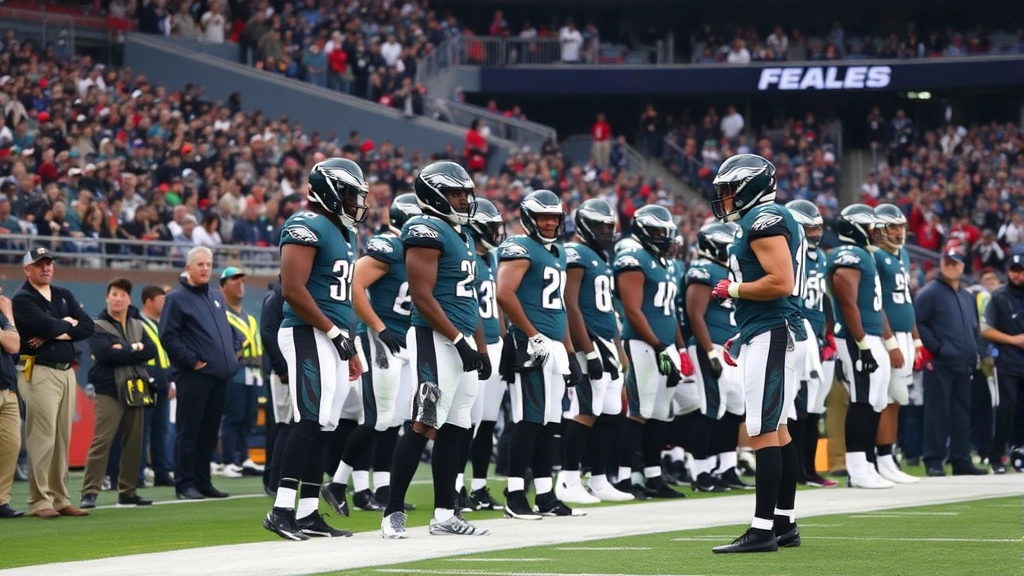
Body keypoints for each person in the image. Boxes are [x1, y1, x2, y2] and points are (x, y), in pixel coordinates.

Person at [380, 160, 489, 539]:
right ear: (433, 195)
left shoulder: (461, 234)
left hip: (460, 339)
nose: (463, 199)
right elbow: (422, 297)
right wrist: (459, 341)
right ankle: (392, 511)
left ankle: (444, 513)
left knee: (457, 427)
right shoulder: (423, 227)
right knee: (425, 422)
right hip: (433, 337)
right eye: (455, 193)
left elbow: (469, 297)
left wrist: (480, 345)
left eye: (465, 193)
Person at [264, 158, 368, 540]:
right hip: (308, 331)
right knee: (308, 420)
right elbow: (293, 289)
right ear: (329, 191)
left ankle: (307, 512)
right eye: (350, 192)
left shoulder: (344, 232)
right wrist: (332, 331)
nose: (356, 200)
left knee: (325, 423)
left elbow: (340, 298)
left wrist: (349, 344)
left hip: (333, 334)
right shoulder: (305, 224)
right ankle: (281, 510)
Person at [709, 154, 804, 553]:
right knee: (777, 430)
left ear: (750, 186)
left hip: (773, 331)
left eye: (730, 189)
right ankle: (784, 523)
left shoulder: (763, 220)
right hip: (769, 330)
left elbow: (781, 282)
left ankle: (763, 529)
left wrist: (732, 290)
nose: (726, 197)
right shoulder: (766, 218)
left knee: (763, 431)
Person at [322, 193, 420, 515]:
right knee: (376, 419)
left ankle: (384, 489)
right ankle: (336, 484)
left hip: (406, 342)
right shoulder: (389, 247)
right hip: (383, 341)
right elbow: (354, 285)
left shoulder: (420, 253)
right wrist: (379, 328)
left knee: (395, 421)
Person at [497, 190, 583, 520]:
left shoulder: (557, 252)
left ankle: (545, 496)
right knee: (528, 420)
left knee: (549, 423)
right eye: (544, 217)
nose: (550, 223)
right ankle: (515, 494)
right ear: (529, 218)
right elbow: (503, 293)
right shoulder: (518, 247)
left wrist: (570, 352)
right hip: (529, 344)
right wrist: (532, 335)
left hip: (553, 344)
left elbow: (558, 306)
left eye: (555, 218)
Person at [557, 199, 634, 503]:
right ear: (586, 224)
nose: (607, 231)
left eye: (609, 226)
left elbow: (608, 310)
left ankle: (599, 478)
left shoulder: (599, 257)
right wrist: (587, 350)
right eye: (601, 226)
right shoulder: (576, 253)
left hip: (606, 341)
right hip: (587, 340)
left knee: (612, 412)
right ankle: (567, 478)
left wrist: (618, 348)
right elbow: (570, 304)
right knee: (585, 410)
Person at [12, 247, 95, 518]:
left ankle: (60, 498)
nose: (45, 268)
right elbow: (48, 326)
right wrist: (61, 325)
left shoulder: (63, 294)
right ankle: (40, 501)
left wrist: (53, 332)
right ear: (27, 270)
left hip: (65, 370)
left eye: (48, 263)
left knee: (62, 438)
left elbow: (87, 327)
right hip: (38, 370)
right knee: (42, 437)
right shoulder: (23, 298)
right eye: (39, 264)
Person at [613, 205, 686, 501]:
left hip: (663, 344)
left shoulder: (663, 262)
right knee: (639, 412)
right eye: (658, 232)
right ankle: (623, 477)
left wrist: (679, 348)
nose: (664, 237)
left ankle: (654, 478)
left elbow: (669, 312)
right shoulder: (633, 258)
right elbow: (632, 310)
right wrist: (658, 347)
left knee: (660, 414)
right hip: (644, 345)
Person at [160, 246, 242, 501]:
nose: (206, 268)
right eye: (200, 265)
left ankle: (203, 481)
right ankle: (184, 484)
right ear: (188, 268)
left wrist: (230, 352)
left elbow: (230, 332)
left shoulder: (216, 297)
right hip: (194, 376)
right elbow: (168, 336)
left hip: (218, 376)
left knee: (208, 432)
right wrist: (193, 361)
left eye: (208, 264)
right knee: (189, 431)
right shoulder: (176, 298)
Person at [828, 204, 893, 489]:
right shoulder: (850, 255)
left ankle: (867, 463)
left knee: (875, 399)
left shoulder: (864, 254)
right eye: (871, 227)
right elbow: (847, 302)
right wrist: (863, 344)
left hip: (870, 335)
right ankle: (857, 468)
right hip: (858, 337)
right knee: (862, 398)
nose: (876, 233)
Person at [80, 278, 157, 509]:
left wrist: (124, 349)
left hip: (135, 389)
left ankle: (127, 492)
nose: (118, 298)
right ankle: (89, 492)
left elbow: (152, 349)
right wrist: (136, 349)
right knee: (102, 441)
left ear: (129, 299)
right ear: (107, 297)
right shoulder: (97, 325)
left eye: (123, 295)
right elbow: (105, 355)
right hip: (109, 389)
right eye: (114, 294)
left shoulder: (138, 324)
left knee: (134, 443)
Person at [685, 221, 750, 492]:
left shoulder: (732, 272)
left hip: (729, 346)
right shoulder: (703, 269)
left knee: (735, 408)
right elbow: (695, 313)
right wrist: (709, 352)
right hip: (708, 344)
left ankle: (726, 468)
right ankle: (700, 472)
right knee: (712, 407)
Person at [914, 247, 986, 477]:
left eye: (955, 262)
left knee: (962, 413)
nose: (951, 266)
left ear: (963, 266)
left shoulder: (967, 296)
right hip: (940, 362)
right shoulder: (929, 292)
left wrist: (976, 350)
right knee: (937, 413)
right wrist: (938, 348)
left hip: (964, 362)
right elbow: (919, 323)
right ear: (942, 263)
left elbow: (974, 328)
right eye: (947, 261)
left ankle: (961, 458)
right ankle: (934, 460)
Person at [785, 200, 838, 488]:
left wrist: (829, 333)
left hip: (817, 335)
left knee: (815, 405)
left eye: (818, 228)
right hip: (797, 334)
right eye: (810, 229)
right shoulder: (791, 257)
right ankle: (796, 470)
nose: (815, 235)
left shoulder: (821, 258)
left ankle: (809, 468)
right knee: (798, 406)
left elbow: (825, 299)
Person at [870, 204, 922, 484]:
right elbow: (877, 302)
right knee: (884, 399)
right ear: (879, 229)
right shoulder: (876, 256)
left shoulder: (902, 253)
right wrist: (889, 340)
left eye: (901, 226)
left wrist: (916, 338)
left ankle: (887, 457)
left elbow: (907, 299)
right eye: (892, 226)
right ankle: (880, 459)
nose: (898, 232)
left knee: (898, 399)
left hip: (904, 333)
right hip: (885, 335)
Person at [464, 198, 508, 510]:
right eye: (491, 228)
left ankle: (478, 487)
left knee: (487, 421)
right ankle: (454, 488)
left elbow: (498, 305)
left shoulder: (491, 259)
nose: (496, 234)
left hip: (494, 343)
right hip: (474, 343)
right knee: (466, 422)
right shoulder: (466, 258)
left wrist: (506, 340)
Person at [981, 253, 1024, 474]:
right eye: (1014, 270)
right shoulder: (998, 297)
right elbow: (985, 329)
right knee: (1005, 410)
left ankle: (1019, 452)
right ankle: (997, 455)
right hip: (1007, 362)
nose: (1017, 274)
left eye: (1021, 270)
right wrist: (1014, 340)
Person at [220, 266, 265, 478]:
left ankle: (244, 456)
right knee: (233, 416)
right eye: (233, 280)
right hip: (235, 372)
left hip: (254, 373)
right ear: (223, 287)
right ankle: (228, 460)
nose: (239, 284)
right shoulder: (222, 316)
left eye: (241, 280)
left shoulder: (251, 318)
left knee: (249, 416)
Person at [138, 285, 174, 487]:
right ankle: (139, 473)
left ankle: (162, 472)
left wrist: (171, 381)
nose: (165, 302)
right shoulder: (138, 323)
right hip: (145, 382)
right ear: (149, 300)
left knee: (162, 429)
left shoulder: (163, 323)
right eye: (162, 298)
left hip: (163, 382)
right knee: (143, 430)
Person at [261, 277, 288, 496]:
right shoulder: (277, 296)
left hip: (299, 368)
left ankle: (284, 479)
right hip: (284, 373)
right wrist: (281, 367)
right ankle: (274, 481)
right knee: (284, 426)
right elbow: (268, 334)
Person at [0, 287, 22, 518]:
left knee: (12, 445)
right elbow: (10, 341)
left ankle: (1, 501)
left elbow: (14, 345)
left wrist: (8, 315)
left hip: (7, 387)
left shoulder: (3, 314)